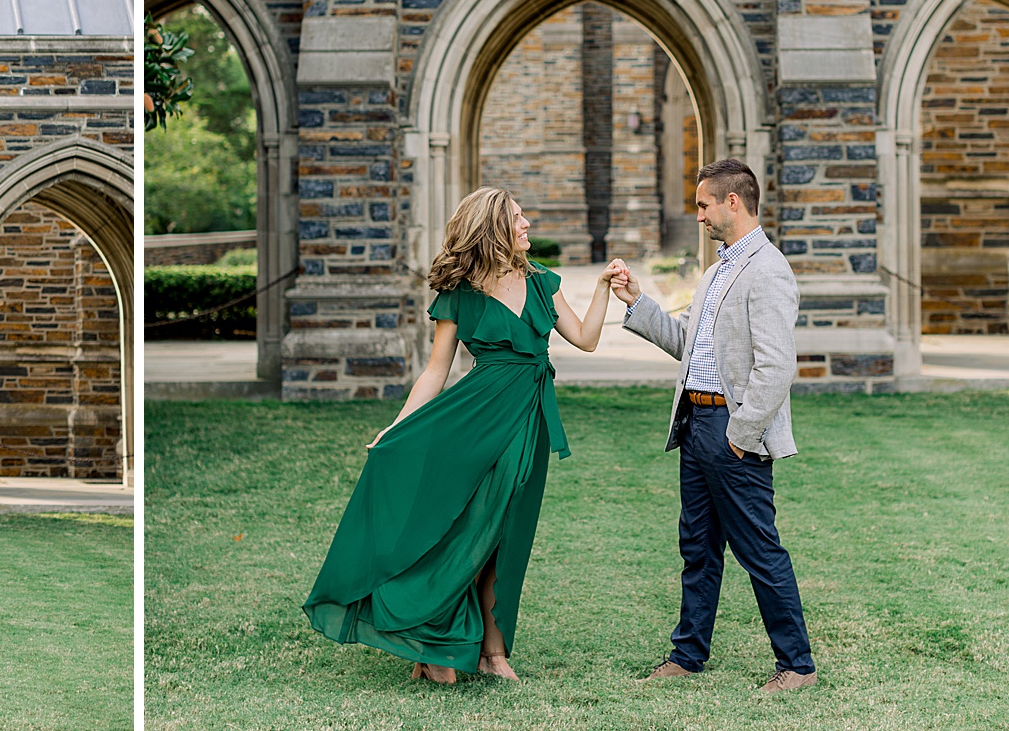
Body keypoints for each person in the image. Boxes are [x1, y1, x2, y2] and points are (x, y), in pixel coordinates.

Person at [304, 187, 625, 684]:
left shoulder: (541, 282)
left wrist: (603, 287)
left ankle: (489, 653)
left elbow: (584, 338)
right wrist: (399, 425)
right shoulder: (461, 293)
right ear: (495, 227)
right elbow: (435, 372)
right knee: (472, 530)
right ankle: (438, 640)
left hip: (527, 423)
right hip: (473, 422)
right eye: (517, 218)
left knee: (505, 537)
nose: (526, 224)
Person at [611, 157, 817, 693]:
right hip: (696, 423)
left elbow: (776, 366)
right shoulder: (716, 271)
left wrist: (741, 435)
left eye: (703, 204)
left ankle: (796, 665)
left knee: (758, 548)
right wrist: (637, 301)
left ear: (733, 202)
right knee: (697, 547)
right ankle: (687, 655)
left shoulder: (768, 269)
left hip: (734, 431)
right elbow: (688, 344)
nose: (697, 214)